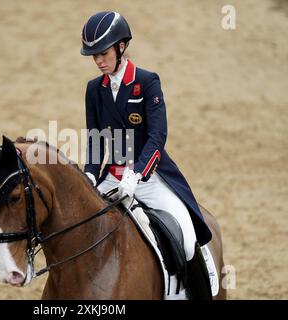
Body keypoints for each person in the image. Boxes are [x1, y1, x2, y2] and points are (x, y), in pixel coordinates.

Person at [81, 11, 212, 299]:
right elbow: (94, 139)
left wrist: (137, 173)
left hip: (149, 178)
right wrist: (90, 173)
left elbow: (157, 137)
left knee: (188, 238)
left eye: (103, 53)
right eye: (94, 57)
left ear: (121, 47)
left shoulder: (147, 82)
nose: (99, 61)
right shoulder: (94, 90)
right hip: (111, 179)